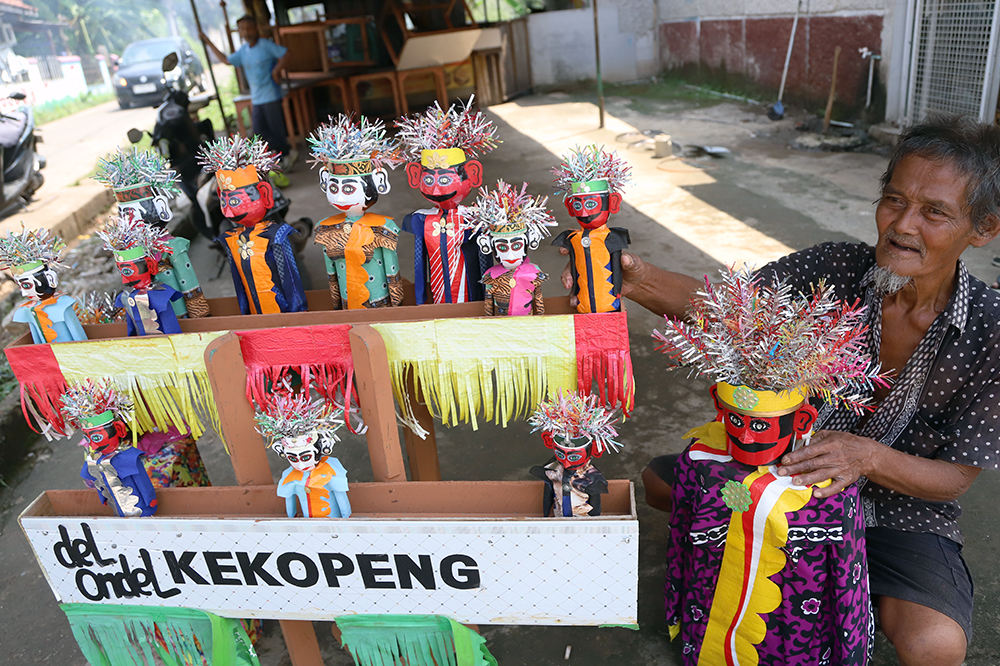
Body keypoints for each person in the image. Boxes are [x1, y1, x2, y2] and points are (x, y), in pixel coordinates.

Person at [566, 116, 1000, 666]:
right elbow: (731, 311)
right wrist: (632, 278)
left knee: (936, 647)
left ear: (982, 228)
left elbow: (954, 479)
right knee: (658, 484)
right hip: (786, 479)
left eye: (934, 212)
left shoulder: (991, 331)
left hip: (899, 509)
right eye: (894, 200)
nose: (902, 225)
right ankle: (811, 568)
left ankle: (837, 571)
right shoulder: (833, 270)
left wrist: (865, 458)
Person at [199, 16, 297, 168]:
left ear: (255, 28)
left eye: (248, 28)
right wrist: (207, 41)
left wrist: (276, 71)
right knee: (259, 132)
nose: (246, 32)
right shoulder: (243, 51)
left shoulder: (265, 45)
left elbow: (287, 53)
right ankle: (271, 161)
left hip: (271, 95)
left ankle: (286, 156)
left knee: (276, 129)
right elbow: (226, 60)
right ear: (239, 32)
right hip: (256, 98)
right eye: (242, 29)